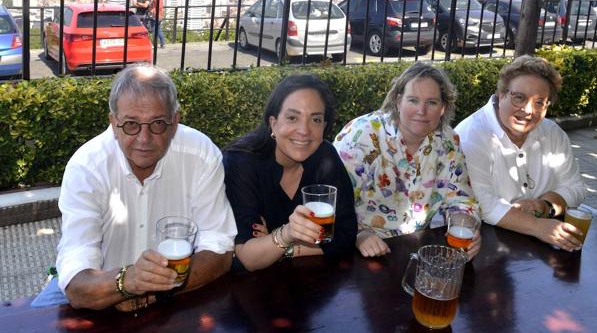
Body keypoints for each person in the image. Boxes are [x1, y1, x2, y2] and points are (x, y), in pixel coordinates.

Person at [31, 64, 237, 311]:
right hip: (102, 293)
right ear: (113, 122)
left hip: (177, 289)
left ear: (175, 121)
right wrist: (126, 283)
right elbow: (76, 279)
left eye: (158, 123)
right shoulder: (86, 167)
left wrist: (153, 292)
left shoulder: (201, 154)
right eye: (131, 124)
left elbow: (220, 248)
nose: (144, 139)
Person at [333, 62, 481, 259]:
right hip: (361, 251)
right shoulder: (361, 137)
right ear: (398, 101)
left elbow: (460, 196)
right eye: (413, 100)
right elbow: (335, 201)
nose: (422, 110)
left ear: (443, 107)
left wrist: (466, 225)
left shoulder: (448, 141)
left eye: (432, 102)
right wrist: (359, 234)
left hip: (416, 249)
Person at [223, 74, 357, 272]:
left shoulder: (325, 157)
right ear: (273, 123)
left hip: (311, 285)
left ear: (324, 127)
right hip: (250, 290)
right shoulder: (241, 162)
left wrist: (281, 246)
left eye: (316, 119)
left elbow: (346, 236)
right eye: (292, 118)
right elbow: (248, 258)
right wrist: (287, 234)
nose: (304, 130)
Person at [455, 55, 586, 252]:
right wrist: (539, 227)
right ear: (501, 95)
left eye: (539, 102)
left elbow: (576, 187)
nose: (527, 110)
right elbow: (483, 204)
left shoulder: (552, 133)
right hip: (484, 248)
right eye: (519, 97)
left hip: (541, 249)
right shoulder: (471, 135)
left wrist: (545, 205)